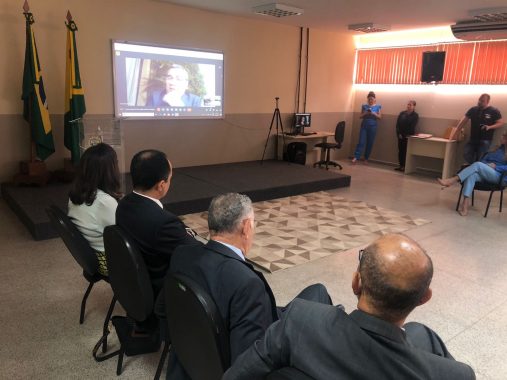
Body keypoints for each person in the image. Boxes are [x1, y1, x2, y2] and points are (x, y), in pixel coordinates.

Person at [223, 233, 475, 380]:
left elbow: (237, 375)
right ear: (424, 298)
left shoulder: (299, 321)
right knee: (422, 333)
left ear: (356, 282)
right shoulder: (454, 375)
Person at [169, 193, 333, 367]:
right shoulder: (247, 283)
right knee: (319, 294)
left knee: (316, 292)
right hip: (252, 343)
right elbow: (249, 361)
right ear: (246, 227)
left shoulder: (182, 255)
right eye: (254, 223)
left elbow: (164, 310)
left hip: (197, 351)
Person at [116, 149, 200, 296]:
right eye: (170, 178)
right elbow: (197, 253)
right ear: (161, 185)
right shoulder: (163, 223)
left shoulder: (124, 204)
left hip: (134, 279)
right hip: (161, 288)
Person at [68, 143, 121, 276]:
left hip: (92, 256)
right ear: (109, 170)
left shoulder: (77, 194)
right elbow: (124, 234)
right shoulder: (105, 202)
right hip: (109, 262)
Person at [438, 131, 507, 216]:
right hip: (487, 171)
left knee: (477, 165)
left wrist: (496, 167)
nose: (501, 137)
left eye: (504, 136)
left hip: (499, 177)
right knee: (472, 175)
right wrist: (486, 165)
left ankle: (453, 180)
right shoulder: (496, 148)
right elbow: (483, 160)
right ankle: (465, 205)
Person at [452, 93, 503, 164]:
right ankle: (472, 165)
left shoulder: (494, 111)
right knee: (466, 153)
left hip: (485, 140)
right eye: (479, 100)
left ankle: (474, 167)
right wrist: (456, 132)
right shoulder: (473, 109)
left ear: (487, 102)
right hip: (473, 138)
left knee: (481, 158)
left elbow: (500, 123)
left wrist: (490, 127)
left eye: (482, 101)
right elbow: (463, 121)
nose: (480, 102)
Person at [352, 91, 382, 164]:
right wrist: (366, 113)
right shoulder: (364, 106)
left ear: (375, 99)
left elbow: (380, 117)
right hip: (364, 126)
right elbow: (360, 116)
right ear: (367, 99)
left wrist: (373, 113)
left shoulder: (378, 106)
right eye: (369, 99)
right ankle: (356, 157)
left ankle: (366, 158)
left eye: (372, 99)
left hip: (373, 126)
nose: (370, 100)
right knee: (361, 142)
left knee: (370, 142)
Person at [395, 100, 419, 171]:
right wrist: (399, 133)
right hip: (400, 136)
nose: (408, 106)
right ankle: (401, 165)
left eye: (410, 105)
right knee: (400, 151)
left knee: (406, 151)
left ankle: (406, 167)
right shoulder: (402, 113)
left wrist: (405, 135)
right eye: (408, 104)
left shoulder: (415, 115)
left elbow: (412, 127)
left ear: (414, 106)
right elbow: (397, 124)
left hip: (408, 136)